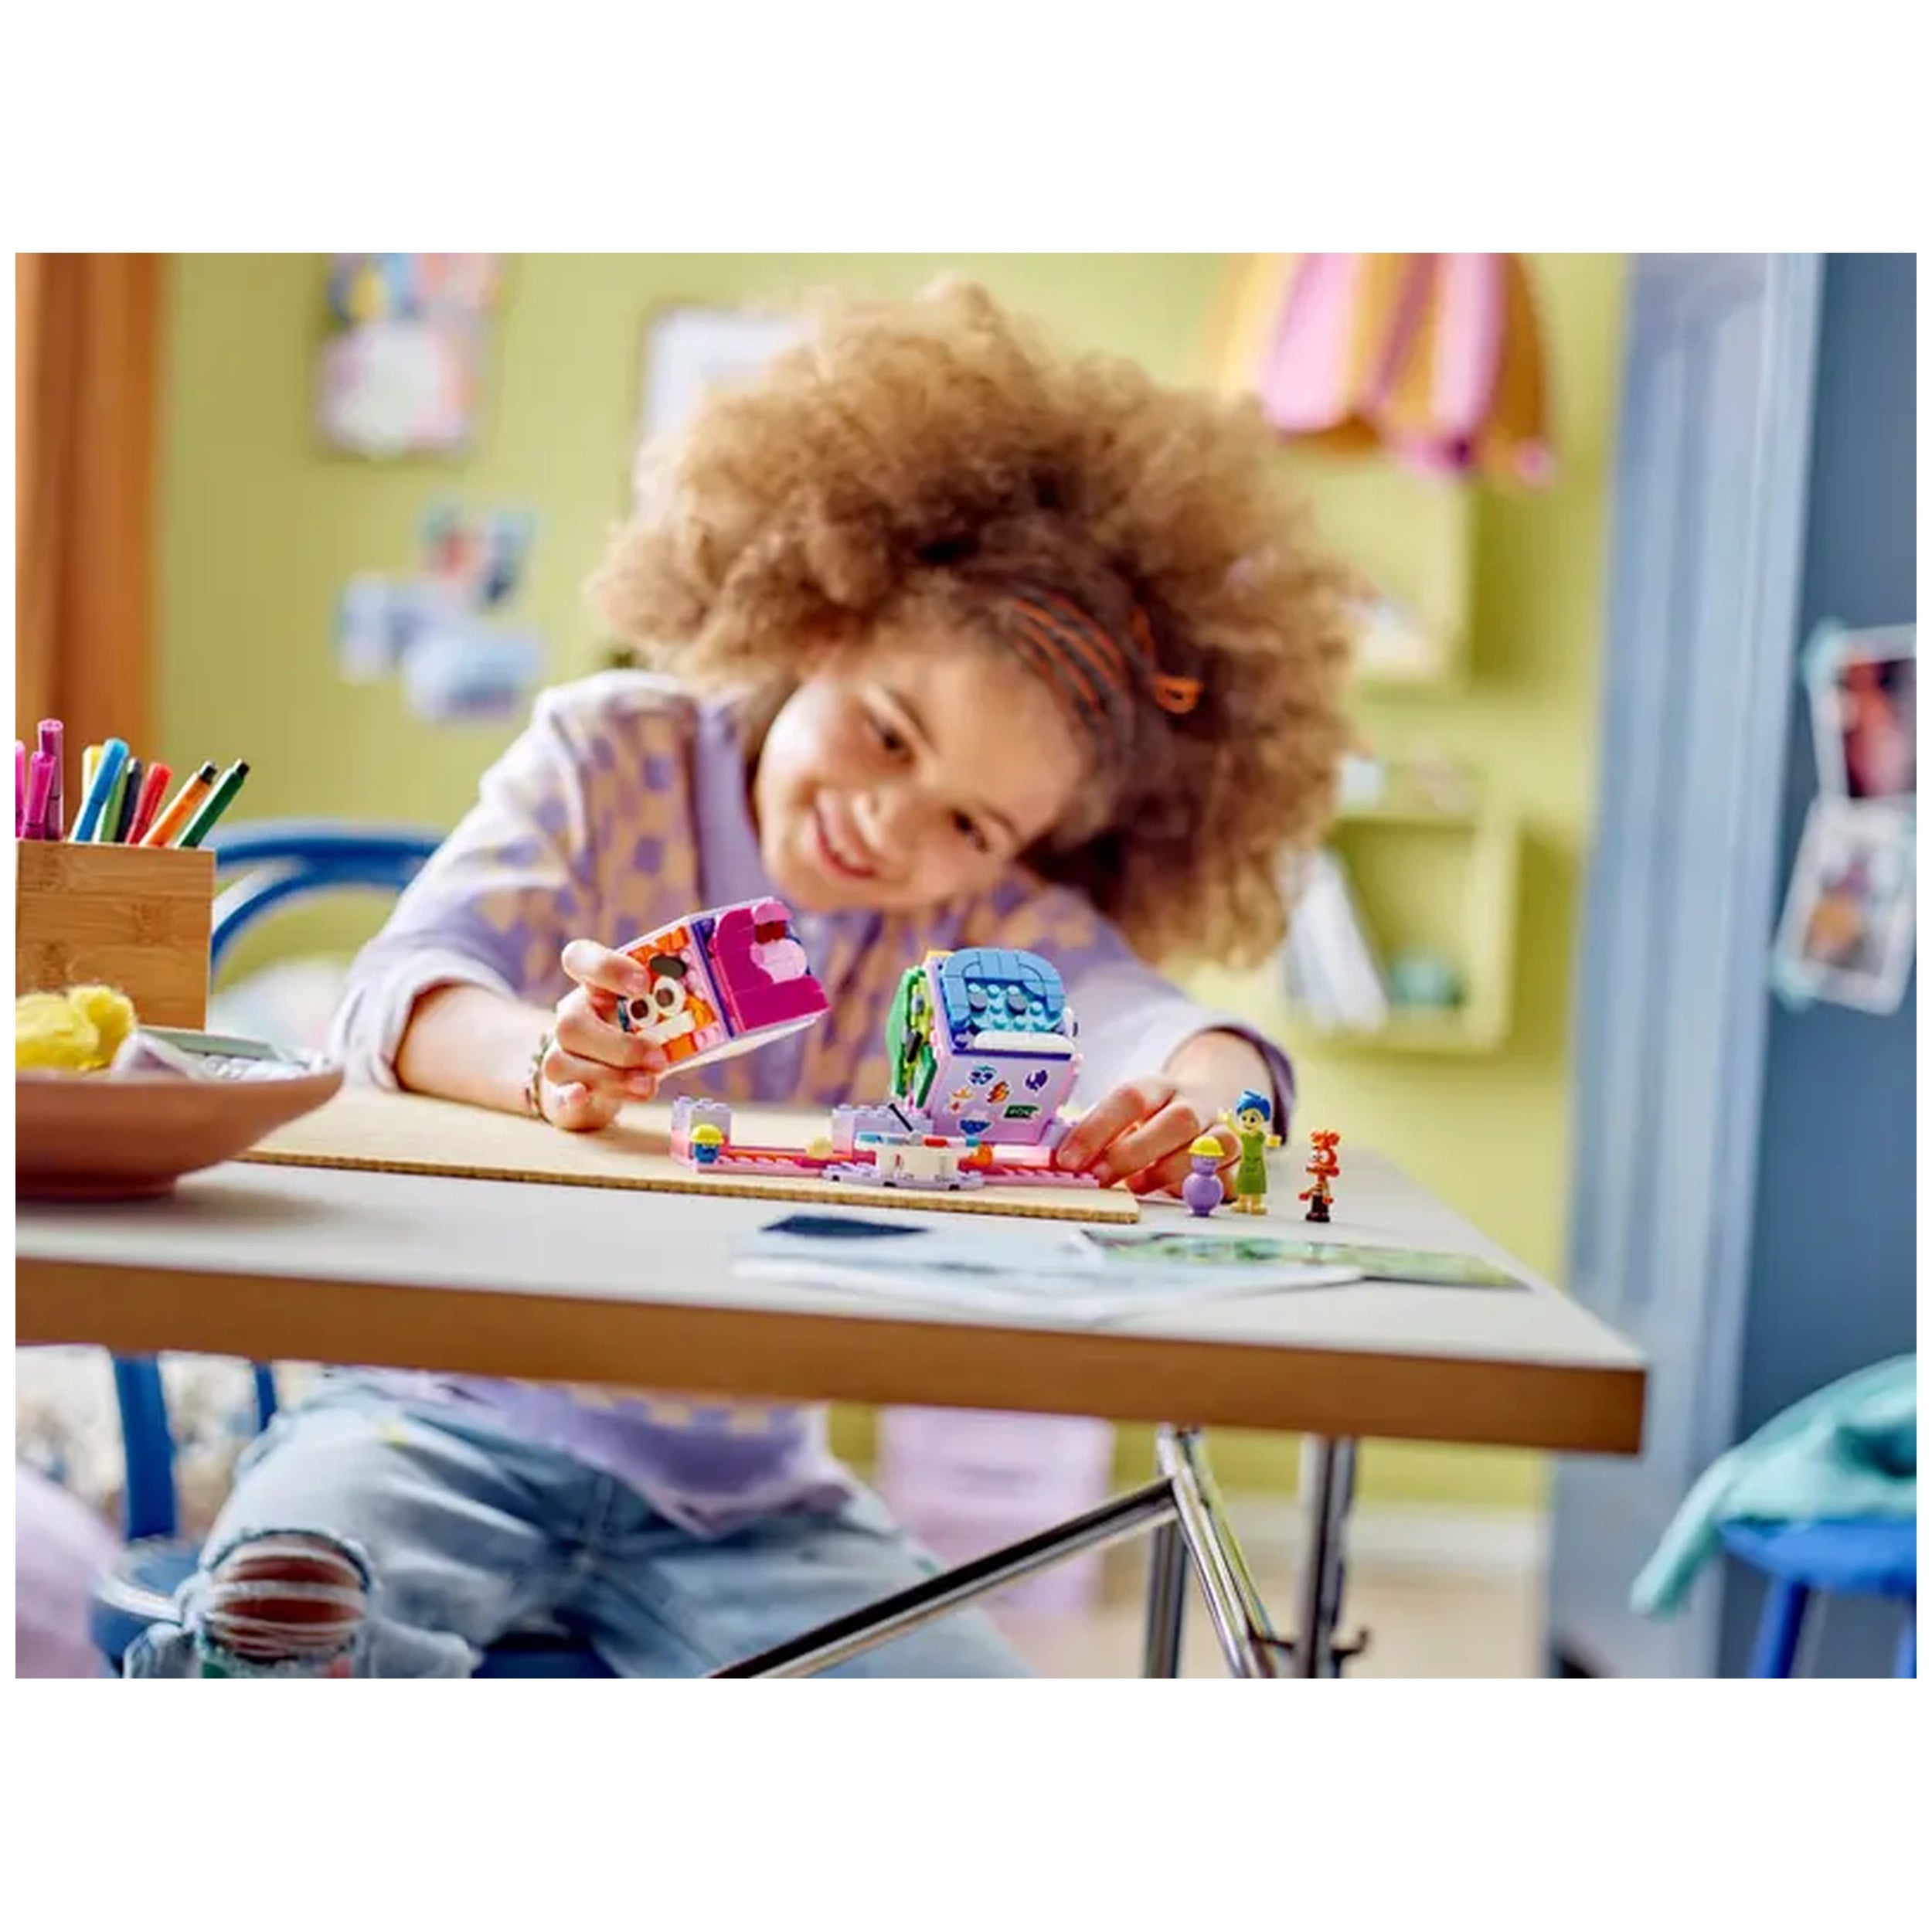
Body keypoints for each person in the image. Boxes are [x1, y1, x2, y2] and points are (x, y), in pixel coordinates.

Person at [129, 281, 1351, 1679]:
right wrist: (543, 1058)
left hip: (754, 1503)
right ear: (824, 620)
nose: (889, 827)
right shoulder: (610, 756)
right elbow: (405, 986)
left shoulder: (984, 923)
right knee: (283, 1608)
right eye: (887, 735)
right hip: (439, 1417)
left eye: (970, 822)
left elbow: (1171, 1031)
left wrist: (1217, 1105)